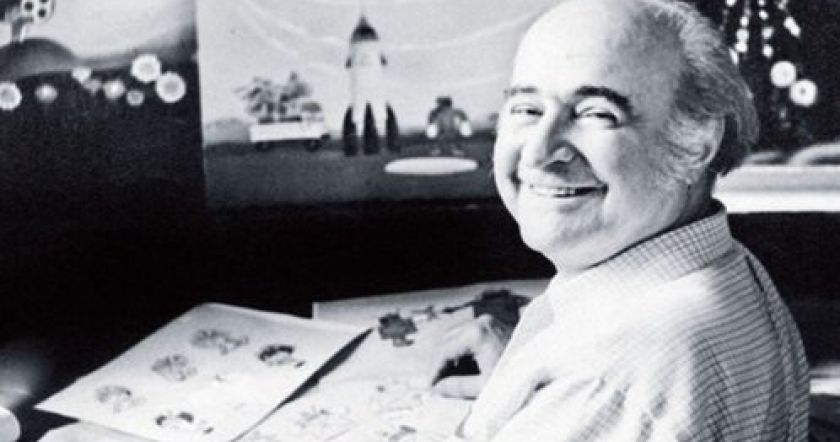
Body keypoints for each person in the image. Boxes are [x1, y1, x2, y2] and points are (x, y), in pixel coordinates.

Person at [428, 0, 810, 440]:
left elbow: (621, 383)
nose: (538, 151)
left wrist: (569, 398)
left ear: (699, 143)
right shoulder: (729, 266)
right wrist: (526, 381)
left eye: (595, 114)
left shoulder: (606, 381)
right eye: (527, 109)